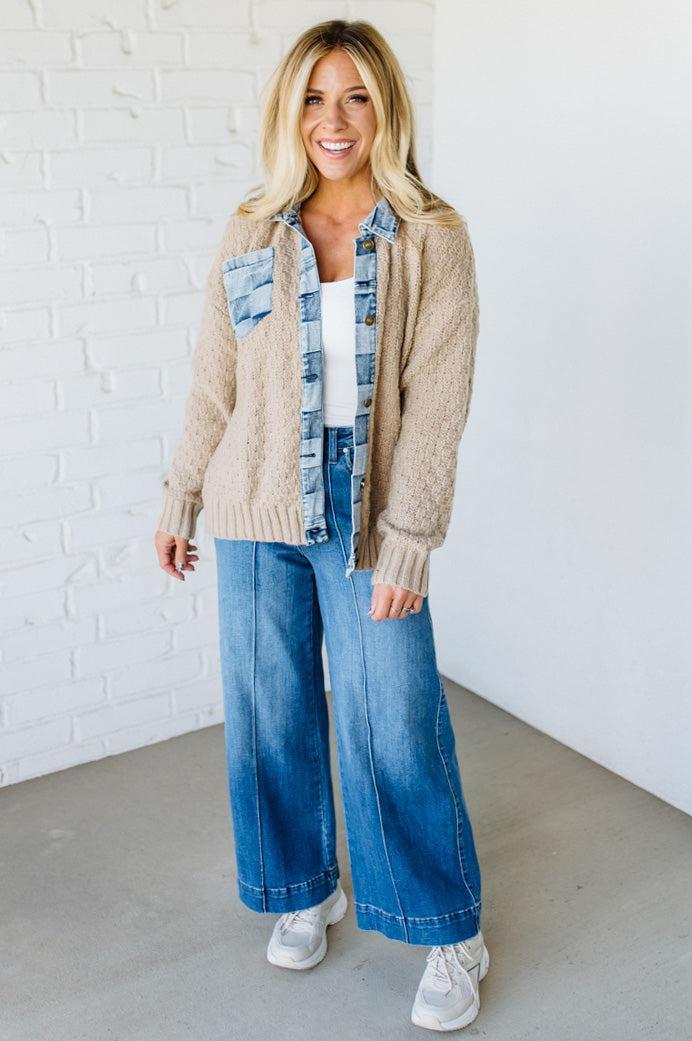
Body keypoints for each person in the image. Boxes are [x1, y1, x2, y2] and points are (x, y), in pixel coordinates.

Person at [154, 18, 487, 1033]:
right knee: (271, 716)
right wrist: (181, 496)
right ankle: (304, 889)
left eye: (353, 97)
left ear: (385, 108)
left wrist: (411, 536)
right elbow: (216, 382)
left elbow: (437, 401)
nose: (331, 121)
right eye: (312, 97)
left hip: (369, 510)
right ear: (286, 111)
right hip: (254, 505)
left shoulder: (430, 233)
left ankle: (445, 926)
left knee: (392, 719)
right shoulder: (252, 227)